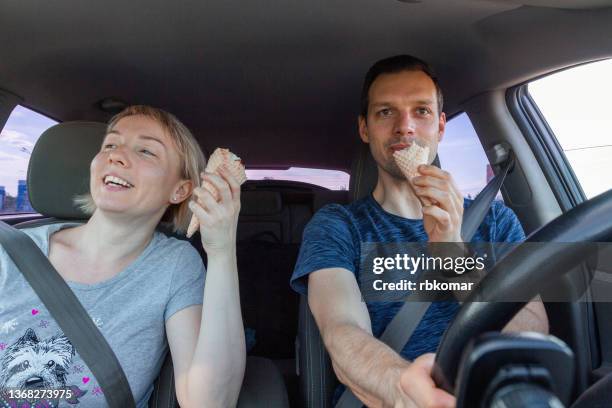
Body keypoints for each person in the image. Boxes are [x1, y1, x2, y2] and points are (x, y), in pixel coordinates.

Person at [290, 56, 549, 408]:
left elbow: (531, 334)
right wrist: (405, 390)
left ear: (441, 126)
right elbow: (342, 330)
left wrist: (454, 253)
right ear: (365, 129)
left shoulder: (495, 220)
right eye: (385, 112)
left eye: (422, 111)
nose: (405, 127)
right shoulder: (338, 226)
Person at [0, 105, 245, 407]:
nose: (115, 155)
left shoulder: (175, 266)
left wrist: (222, 251)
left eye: (146, 151)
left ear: (180, 191)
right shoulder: (7, 250)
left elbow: (208, 403)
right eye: (110, 145)